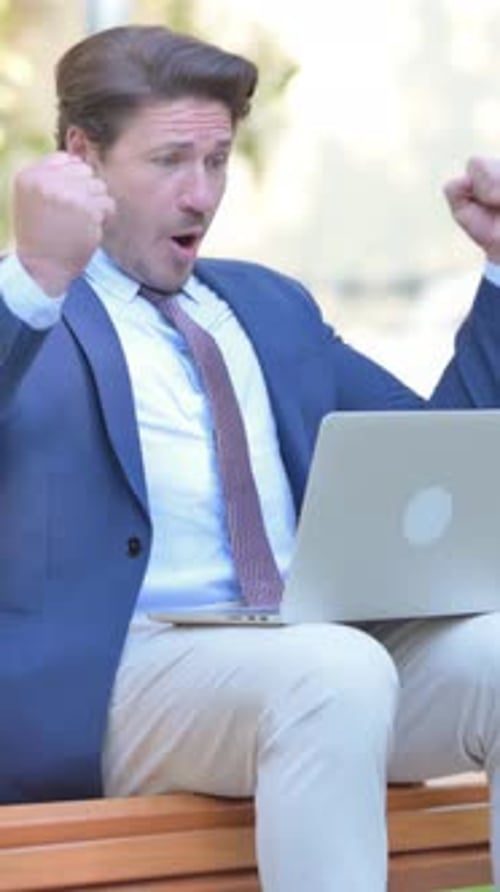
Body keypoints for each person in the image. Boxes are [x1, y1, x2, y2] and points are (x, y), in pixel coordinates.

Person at [2, 23, 500, 892]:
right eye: (168, 163)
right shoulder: (29, 307)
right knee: (331, 669)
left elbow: (440, 449)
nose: (202, 195)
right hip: (118, 682)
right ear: (81, 156)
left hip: (299, 662)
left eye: (219, 160)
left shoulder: (267, 307)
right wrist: (37, 275)